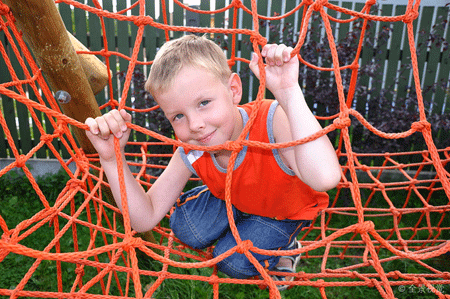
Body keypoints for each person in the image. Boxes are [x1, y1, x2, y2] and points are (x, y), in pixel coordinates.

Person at [85, 35, 341, 290]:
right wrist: (111, 159)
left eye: (204, 103)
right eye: (178, 116)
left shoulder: (271, 119)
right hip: (236, 198)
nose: (195, 124)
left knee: (234, 263)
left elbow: (325, 178)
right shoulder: (194, 147)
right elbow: (145, 217)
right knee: (185, 228)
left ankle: (286, 248)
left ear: (233, 90)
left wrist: (288, 93)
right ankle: (237, 217)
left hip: (281, 212)